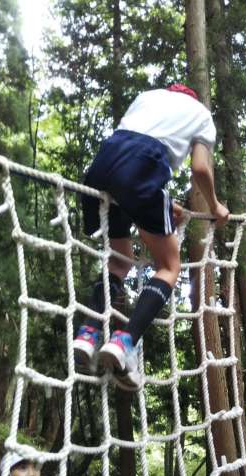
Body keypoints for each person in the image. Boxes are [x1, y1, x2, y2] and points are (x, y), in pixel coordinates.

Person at [73, 84, 229, 390]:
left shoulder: (147, 97)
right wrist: (215, 206)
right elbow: (200, 168)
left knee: (120, 262)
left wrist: (163, 204)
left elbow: (127, 155)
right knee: (169, 267)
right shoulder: (202, 115)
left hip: (103, 167)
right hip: (141, 172)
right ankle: (125, 341)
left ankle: (88, 333)